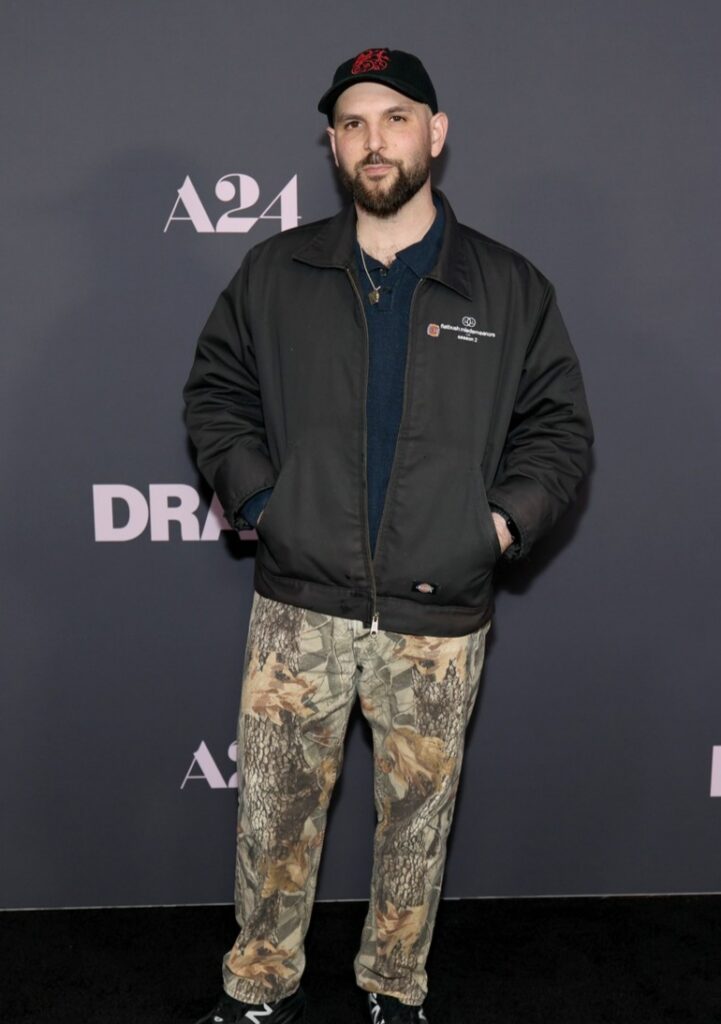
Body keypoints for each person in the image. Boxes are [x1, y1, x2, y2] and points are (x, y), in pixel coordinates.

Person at [183, 47, 593, 1024]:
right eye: (353, 123)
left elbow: (557, 429)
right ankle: (259, 989)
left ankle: (394, 988)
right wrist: (264, 503)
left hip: (438, 614)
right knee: (273, 815)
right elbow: (216, 394)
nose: (375, 141)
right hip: (299, 605)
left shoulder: (508, 287)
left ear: (434, 134)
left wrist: (495, 524)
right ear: (332, 145)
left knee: (417, 823)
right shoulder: (275, 271)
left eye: (395, 118)